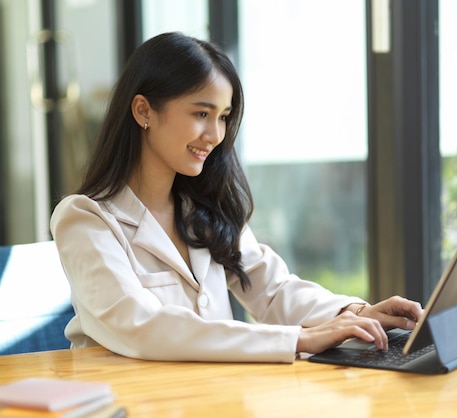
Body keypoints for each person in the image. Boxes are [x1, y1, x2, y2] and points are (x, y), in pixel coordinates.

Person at [50, 32, 423, 363]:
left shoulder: (203, 209)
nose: (214, 135)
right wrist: (298, 339)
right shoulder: (85, 219)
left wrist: (357, 312)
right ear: (144, 110)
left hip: (213, 398)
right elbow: (142, 325)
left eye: (224, 117)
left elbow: (273, 290)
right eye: (201, 113)